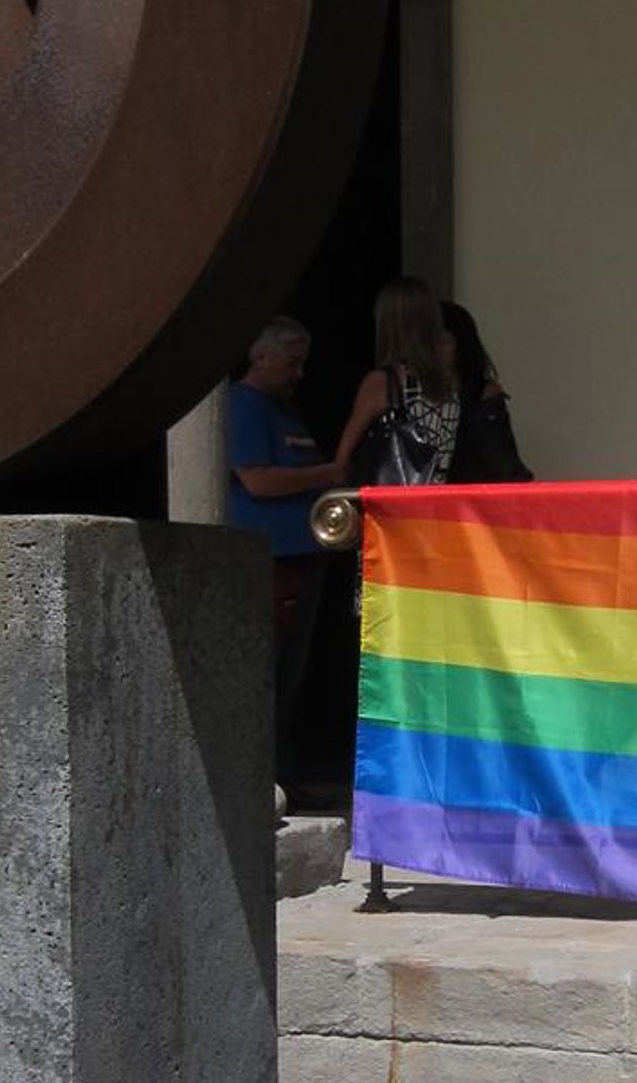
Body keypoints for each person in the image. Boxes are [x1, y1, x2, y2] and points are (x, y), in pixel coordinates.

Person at [228, 317, 340, 791]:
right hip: (270, 559)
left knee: (293, 673)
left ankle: (288, 776)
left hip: (303, 554)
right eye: (291, 363)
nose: (299, 374)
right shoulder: (243, 406)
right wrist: (328, 473)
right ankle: (266, 780)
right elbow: (257, 480)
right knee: (270, 670)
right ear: (261, 356)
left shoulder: (285, 410)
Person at [333, 276, 462, 488]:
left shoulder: (384, 382)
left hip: (392, 499)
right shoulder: (449, 384)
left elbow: (342, 460)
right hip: (436, 495)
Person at [442, 299, 534, 483]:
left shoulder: (482, 395)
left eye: (441, 342)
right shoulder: (412, 394)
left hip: (473, 491)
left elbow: (502, 463)